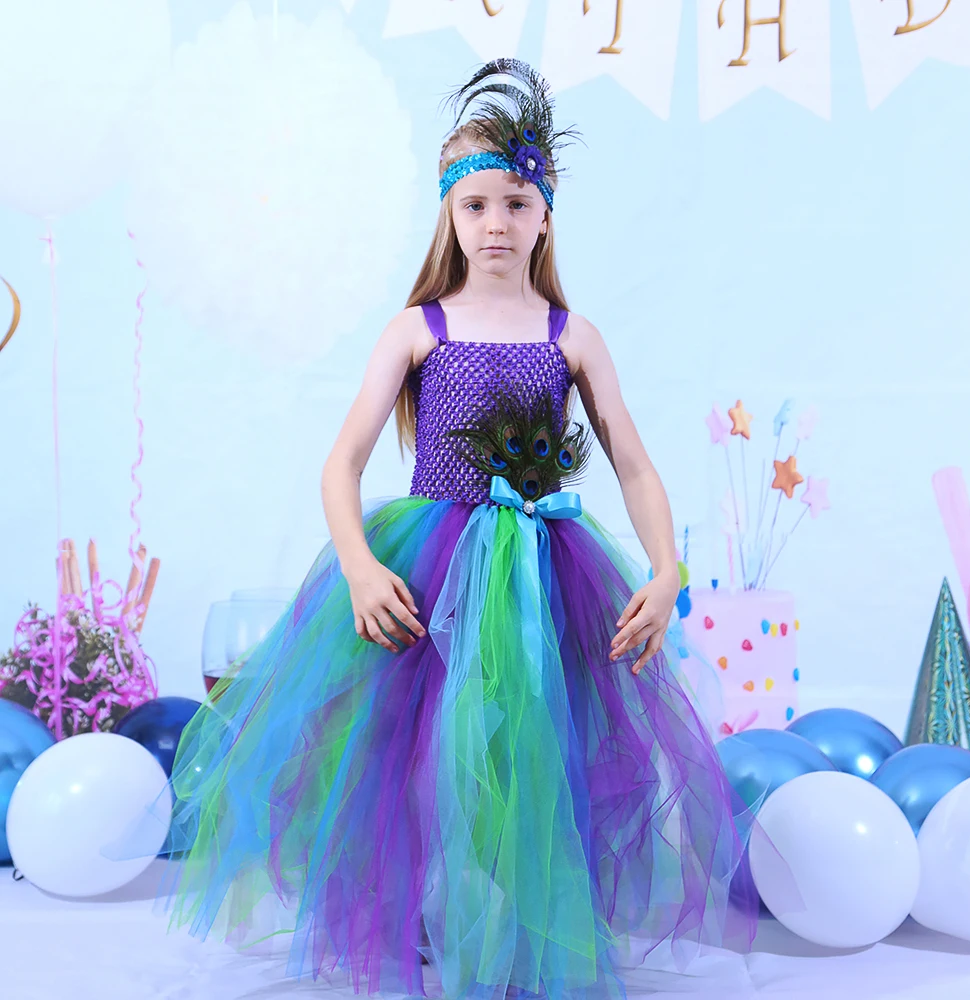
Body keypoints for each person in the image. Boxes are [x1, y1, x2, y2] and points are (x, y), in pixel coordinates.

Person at [161, 59, 757, 1000]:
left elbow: (635, 465)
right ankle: (420, 924)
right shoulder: (418, 329)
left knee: (529, 753)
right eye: (475, 205)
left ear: (545, 215)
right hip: (431, 572)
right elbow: (341, 464)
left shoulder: (571, 335)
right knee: (415, 753)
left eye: (516, 204)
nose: (495, 224)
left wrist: (665, 567)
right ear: (448, 214)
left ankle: (516, 934)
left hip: (545, 575)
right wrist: (360, 568)